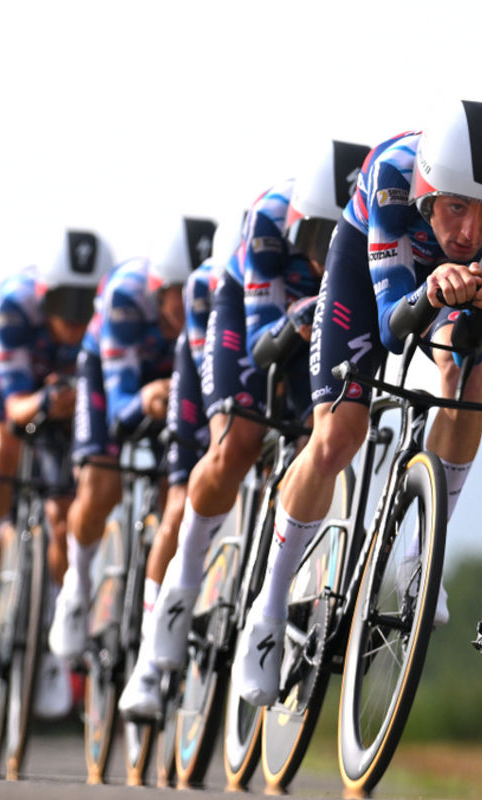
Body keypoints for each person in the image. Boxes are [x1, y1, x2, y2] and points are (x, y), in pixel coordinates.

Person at [233, 100, 482, 706]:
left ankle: (424, 555)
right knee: (338, 435)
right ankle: (266, 611)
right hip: (372, 268)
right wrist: (434, 289)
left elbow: (469, 322)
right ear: (429, 191)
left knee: (469, 368)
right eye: (456, 207)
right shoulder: (392, 178)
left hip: (438, 286)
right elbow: (394, 324)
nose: (472, 232)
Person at [118, 142, 369, 718]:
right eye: (314, 243)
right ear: (298, 225)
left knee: (324, 439)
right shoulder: (269, 219)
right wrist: (306, 314)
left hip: (313, 318)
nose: (321, 259)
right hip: (236, 310)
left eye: (335, 245)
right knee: (237, 442)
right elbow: (261, 346)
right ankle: (172, 607)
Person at [0, 229, 113, 715]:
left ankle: (48, 631)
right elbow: (15, 405)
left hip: (63, 412)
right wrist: (48, 400)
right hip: (11, 393)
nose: (74, 317)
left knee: (66, 516)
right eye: (65, 303)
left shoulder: (106, 325)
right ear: (44, 298)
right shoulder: (15, 307)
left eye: (85, 305)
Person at [47, 217, 217, 660]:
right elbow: (122, 409)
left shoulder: (206, 305)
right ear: (158, 289)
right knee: (101, 485)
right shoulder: (125, 298)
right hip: (113, 378)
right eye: (177, 294)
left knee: (179, 488)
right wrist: (145, 399)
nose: (187, 305)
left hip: (169, 380)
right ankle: (78, 584)